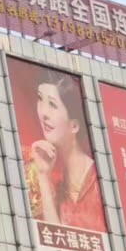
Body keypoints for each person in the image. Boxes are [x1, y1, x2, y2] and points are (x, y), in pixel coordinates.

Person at [25, 69, 105, 231]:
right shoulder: (54, 182)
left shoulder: (99, 181)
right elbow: (55, 238)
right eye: (40, 99)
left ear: (74, 125)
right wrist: (42, 175)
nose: (43, 113)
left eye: (52, 104)